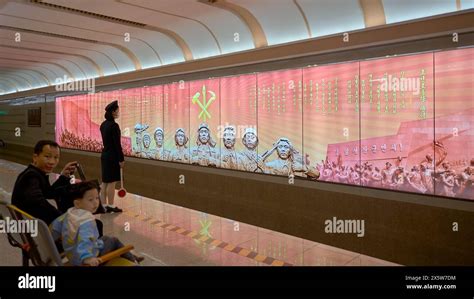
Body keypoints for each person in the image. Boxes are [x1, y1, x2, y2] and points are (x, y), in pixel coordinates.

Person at [50, 181, 143, 266]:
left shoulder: (69, 213)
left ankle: (133, 257)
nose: (95, 203)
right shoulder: (86, 221)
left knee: (106, 238)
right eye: (90, 200)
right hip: (88, 259)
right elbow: (85, 239)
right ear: (77, 203)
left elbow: (54, 228)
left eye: (97, 198)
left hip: (72, 256)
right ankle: (133, 260)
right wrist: (87, 258)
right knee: (114, 240)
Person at [11, 140, 77, 225]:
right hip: (31, 228)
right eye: (47, 156)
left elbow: (48, 193)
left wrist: (63, 176)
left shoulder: (37, 173)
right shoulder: (31, 176)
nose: (52, 162)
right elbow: (38, 202)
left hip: (27, 225)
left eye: (56, 157)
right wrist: (61, 217)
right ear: (35, 157)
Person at [100, 100, 124, 213]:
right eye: (117, 110)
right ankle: (111, 205)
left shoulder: (103, 125)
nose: (119, 112)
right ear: (113, 112)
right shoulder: (114, 126)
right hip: (112, 157)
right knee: (112, 182)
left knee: (105, 181)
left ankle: (103, 205)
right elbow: (117, 144)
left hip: (104, 155)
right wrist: (121, 159)